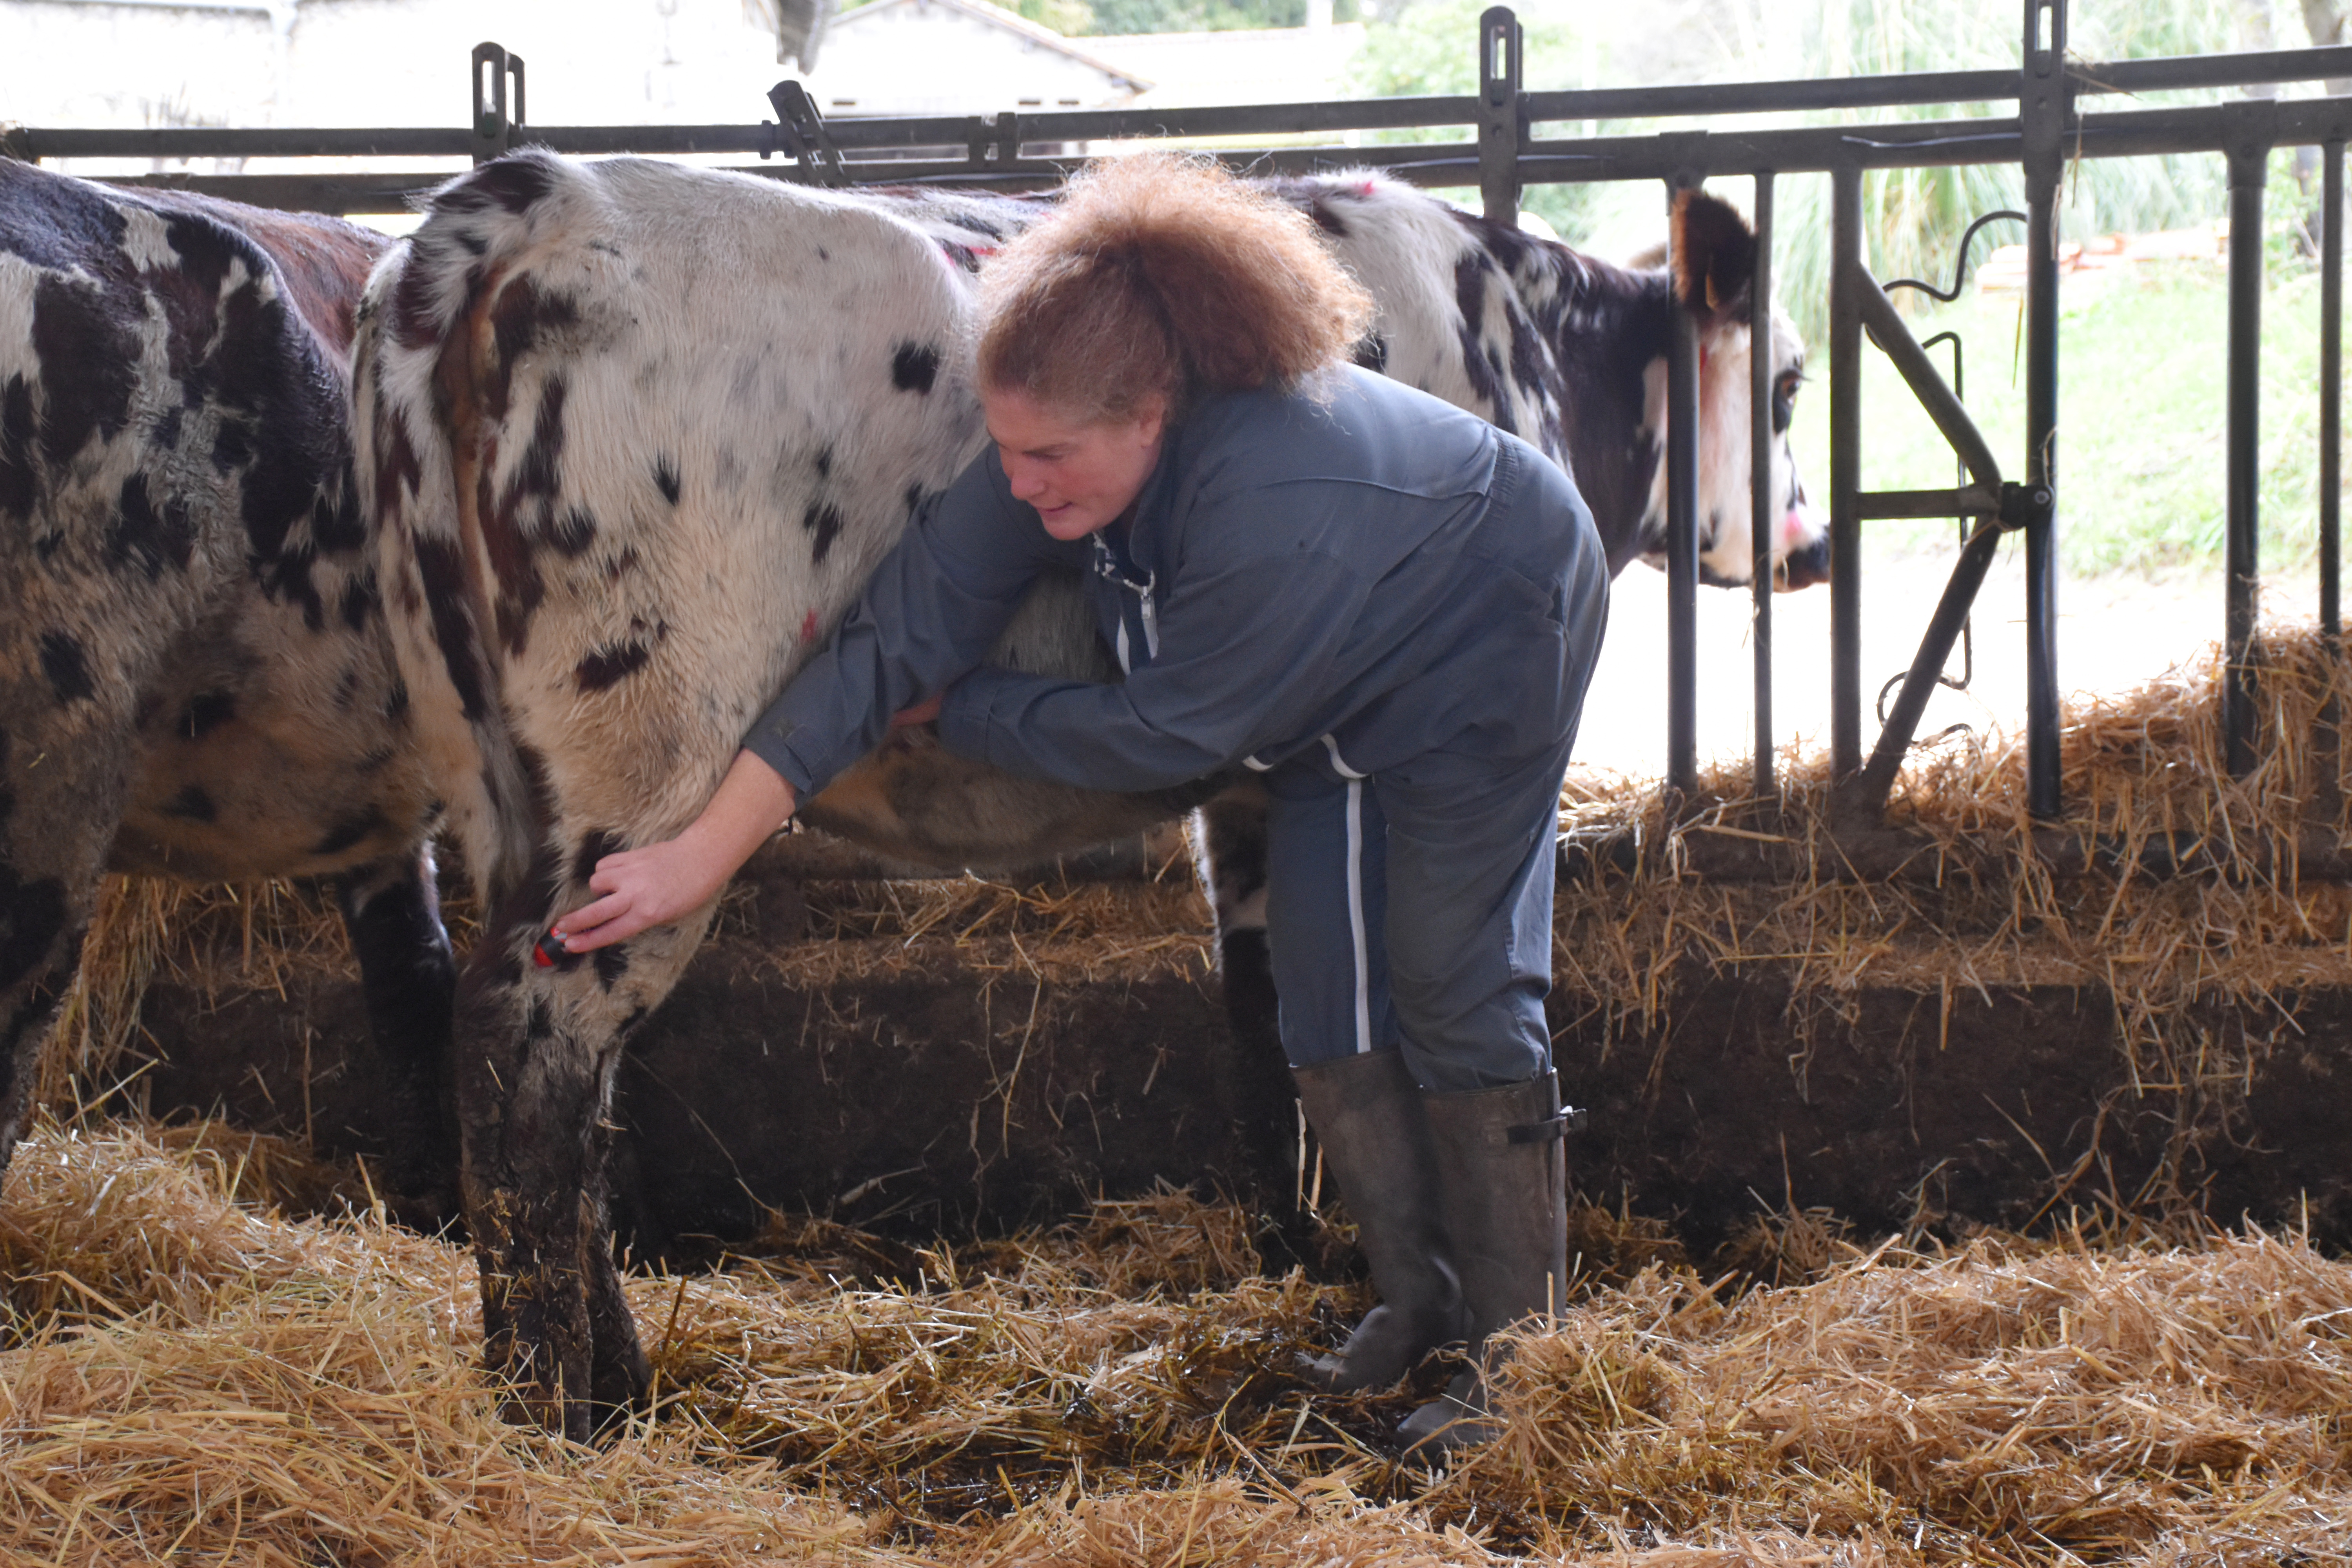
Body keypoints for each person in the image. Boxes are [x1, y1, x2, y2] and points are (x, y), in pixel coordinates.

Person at [552, 154, 1610, 1451]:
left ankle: (1517, 1366)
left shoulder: (1277, 493)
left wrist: (970, 708)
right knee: (1327, 988)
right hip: (1333, 672)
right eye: (1009, 455)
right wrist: (700, 856)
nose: (1027, 485)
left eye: (1052, 457)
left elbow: (1170, 736)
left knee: (1451, 976)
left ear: (1155, 413)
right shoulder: (1049, 445)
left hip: (1488, 631)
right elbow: (892, 639)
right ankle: (1418, 1301)